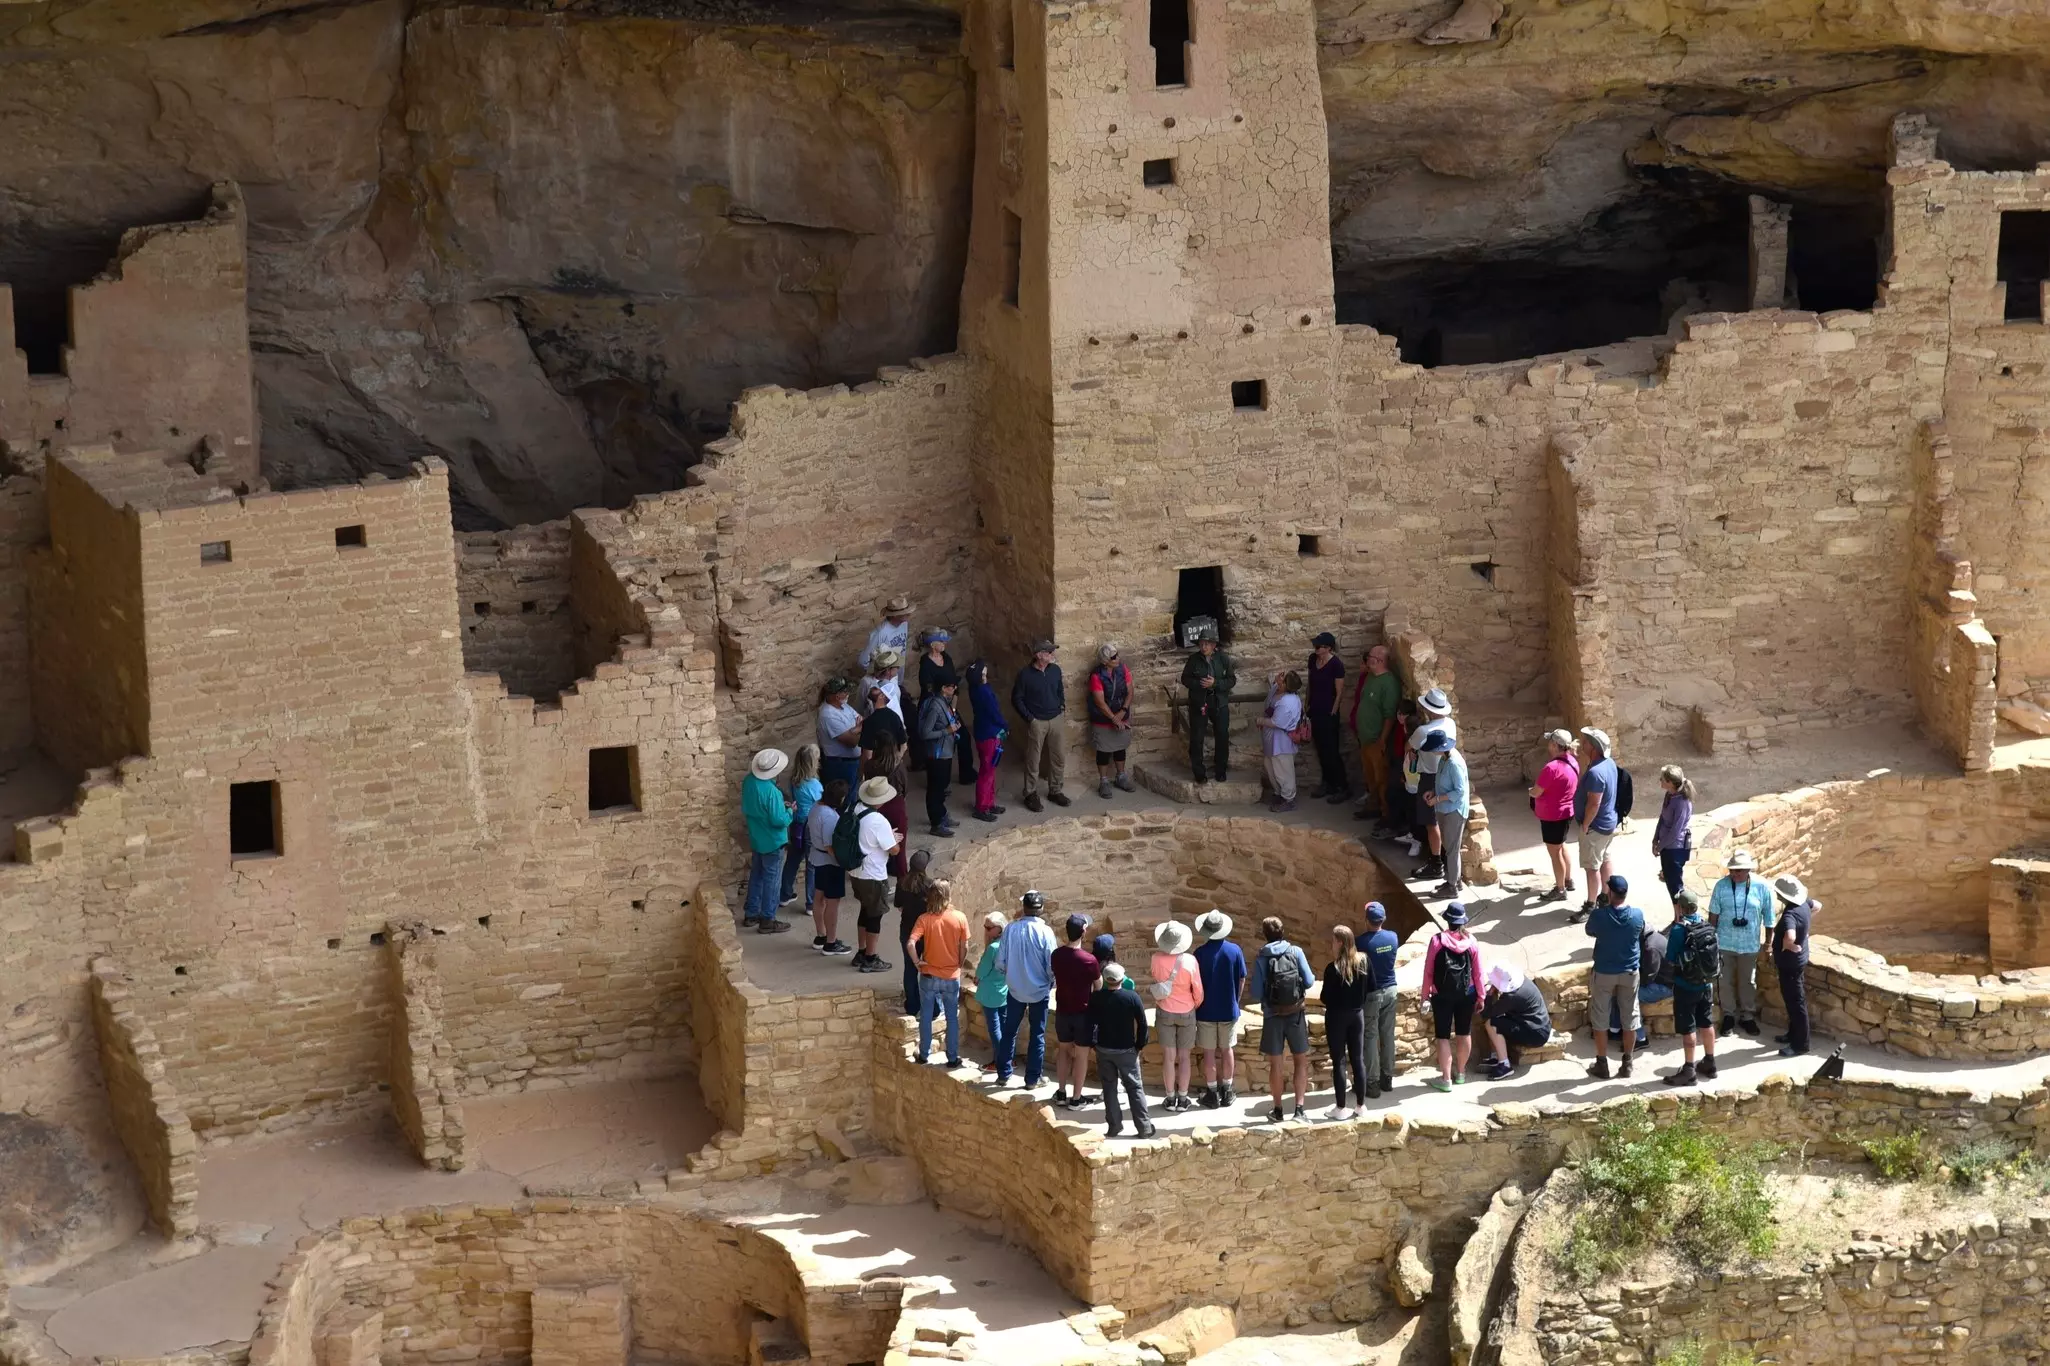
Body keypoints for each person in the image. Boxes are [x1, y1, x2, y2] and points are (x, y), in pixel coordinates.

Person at [1248, 916, 1315, 1121]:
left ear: (1265, 934)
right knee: (1300, 1061)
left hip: (1272, 1016)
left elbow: (1257, 993)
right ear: (1283, 931)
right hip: (1295, 1014)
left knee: (1276, 1064)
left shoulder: (1261, 958)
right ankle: (1299, 1110)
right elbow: (1310, 981)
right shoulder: (1296, 952)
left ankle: (1278, 1110)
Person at [1708, 849, 1775, 1036]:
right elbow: (1713, 915)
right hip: (1724, 943)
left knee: (1748, 982)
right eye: (1732, 870)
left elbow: (1769, 917)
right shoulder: (1721, 886)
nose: (1734, 874)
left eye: (1738, 871)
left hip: (1749, 945)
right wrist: (1711, 939)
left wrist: (1768, 944)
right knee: (1724, 981)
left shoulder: (1761, 887)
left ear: (1748, 870)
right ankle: (1728, 1015)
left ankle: (1747, 1016)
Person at [1585, 874, 1644, 1079]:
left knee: (1600, 1017)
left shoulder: (1600, 916)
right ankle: (1627, 1063)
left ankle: (1602, 1063)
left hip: (1604, 972)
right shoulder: (1637, 915)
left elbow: (1589, 931)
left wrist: (1600, 909)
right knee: (1630, 1017)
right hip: (1629, 972)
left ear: (1610, 892)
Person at [996, 891, 1057, 1086]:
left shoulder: (1011, 929)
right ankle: (1032, 1078)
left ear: (1024, 908)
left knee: (1009, 1031)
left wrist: (1012, 974)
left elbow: (1000, 962)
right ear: (1041, 909)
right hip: (1039, 991)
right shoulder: (1046, 933)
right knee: (1037, 1034)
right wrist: (1051, 982)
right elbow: (1051, 965)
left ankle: (1004, 1073)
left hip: (1015, 990)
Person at [1088, 963, 1155, 1139]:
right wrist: (1140, 1045)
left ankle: (1114, 1126)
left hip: (1104, 1049)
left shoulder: (1097, 998)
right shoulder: (1131, 997)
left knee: (1109, 1088)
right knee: (1134, 1088)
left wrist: (1093, 1044)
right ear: (1122, 979)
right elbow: (1142, 1023)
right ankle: (1144, 1127)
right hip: (1126, 1050)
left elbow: (1090, 1023)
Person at [1420, 904, 1483, 1091]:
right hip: (1467, 993)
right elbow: (1478, 973)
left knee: (1443, 1036)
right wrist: (1481, 996)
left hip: (1442, 994)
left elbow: (1429, 971)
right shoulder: (1472, 941)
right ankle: (1461, 1073)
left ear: (1447, 920)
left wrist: (1425, 996)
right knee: (1464, 1032)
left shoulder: (1437, 940)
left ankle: (1446, 1079)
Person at [907, 881, 970, 1066]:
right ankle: (952, 1057)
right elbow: (964, 945)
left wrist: (917, 962)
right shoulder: (959, 917)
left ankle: (924, 1053)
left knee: (926, 1016)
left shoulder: (924, 919)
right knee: (951, 1017)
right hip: (951, 975)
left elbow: (911, 943)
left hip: (928, 974)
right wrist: (958, 962)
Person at [1663, 890, 1721, 1086]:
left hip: (1685, 986)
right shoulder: (1706, 925)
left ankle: (1689, 1069)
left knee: (1688, 1026)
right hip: (1706, 983)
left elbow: (1670, 958)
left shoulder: (1680, 930)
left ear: (1680, 907)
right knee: (1706, 1022)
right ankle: (1710, 1062)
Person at [1191, 909, 1246, 1109]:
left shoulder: (1199, 953)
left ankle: (1212, 1093)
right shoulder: (1235, 950)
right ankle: (1228, 1090)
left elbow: (1195, 984)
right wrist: (1235, 1001)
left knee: (1208, 1053)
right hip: (1228, 1009)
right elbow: (1241, 978)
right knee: (1227, 1049)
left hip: (1205, 1010)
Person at [845, 776, 899, 972]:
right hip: (873, 875)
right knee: (875, 915)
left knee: (865, 910)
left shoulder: (855, 809)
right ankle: (871, 957)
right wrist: (895, 839)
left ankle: (861, 951)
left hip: (856, 871)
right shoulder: (878, 821)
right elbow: (894, 850)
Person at [1150, 920, 1204, 1111]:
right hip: (1186, 1011)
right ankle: (1183, 1098)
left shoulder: (1156, 959)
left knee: (1168, 1057)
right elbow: (1197, 989)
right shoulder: (1190, 961)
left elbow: (1156, 979)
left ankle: (1170, 1097)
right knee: (1184, 1057)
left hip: (1165, 1010)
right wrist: (1194, 1005)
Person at [1570, 727, 1621, 924]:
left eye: (1585, 742)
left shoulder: (1596, 772)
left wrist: (1585, 825)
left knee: (1592, 867)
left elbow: (1594, 803)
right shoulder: (1609, 764)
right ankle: (1606, 897)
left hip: (1595, 827)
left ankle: (1591, 905)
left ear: (1592, 747)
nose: (1582, 744)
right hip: (1608, 823)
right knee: (1605, 859)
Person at [1011, 640, 1069, 812]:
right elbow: (1017, 698)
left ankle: (1055, 790)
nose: (1053, 655)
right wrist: (1030, 718)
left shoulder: (1055, 670)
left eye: (1052, 652)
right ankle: (1030, 793)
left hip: (1056, 718)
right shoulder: (1025, 675)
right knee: (1033, 760)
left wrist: (1062, 706)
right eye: (1049, 652)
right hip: (1037, 722)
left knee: (1059, 757)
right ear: (1038, 655)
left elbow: (1059, 690)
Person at [741, 749, 795, 933]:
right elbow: (778, 820)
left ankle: (751, 913)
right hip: (773, 840)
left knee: (757, 875)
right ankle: (768, 920)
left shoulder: (749, 782)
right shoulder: (772, 791)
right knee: (772, 880)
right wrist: (789, 812)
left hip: (757, 837)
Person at [1049, 914, 1100, 1108]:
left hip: (1063, 1009)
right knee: (1081, 1055)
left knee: (1063, 1050)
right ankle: (1076, 1098)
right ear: (1084, 933)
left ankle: (1061, 1092)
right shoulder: (1089, 960)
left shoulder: (1056, 955)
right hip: (1083, 1013)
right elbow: (1099, 985)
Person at [1322, 924, 1371, 1118]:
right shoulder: (1364, 961)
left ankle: (1341, 1108)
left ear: (1340, 943)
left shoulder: (1332, 969)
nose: (1331, 944)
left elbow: (1325, 997)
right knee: (1358, 1060)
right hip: (1357, 1015)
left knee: (1339, 1061)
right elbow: (1370, 986)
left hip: (1336, 1017)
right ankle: (1361, 1106)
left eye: (1333, 941)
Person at [1407, 689, 1457, 880]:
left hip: (1430, 776)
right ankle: (1443, 859)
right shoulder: (1450, 724)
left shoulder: (1422, 731)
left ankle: (1436, 863)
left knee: (1431, 821)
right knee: (1443, 818)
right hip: (1446, 773)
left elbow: (1409, 747)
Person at [1529, 729, 1581, 902]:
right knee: (1561, 845)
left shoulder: (1551, 768)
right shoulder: (1573, 761)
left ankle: (1560, 889)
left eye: (1549, 742)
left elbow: (1537, 792)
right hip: (1567, 813)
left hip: (1552, 816)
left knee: (1554, 853)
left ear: (1554, 745)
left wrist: (1530, 791)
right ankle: (1568, 880)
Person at [1350, 645, 1400, 822]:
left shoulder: (1389, 684)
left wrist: (1382, 739)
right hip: (1365, 738)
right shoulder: (1371, 677)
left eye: (1369, 656)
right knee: (1370, 776)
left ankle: (1386, 815)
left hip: (1376, 741)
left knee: (1381, 779)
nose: (1366, 659)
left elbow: (1389, 715)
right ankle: (1373, 807)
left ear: (1378, 660)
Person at [805, 779, 853, 956]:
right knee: (833, 902)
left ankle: (821, 935)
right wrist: (845, 863)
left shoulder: (816, 807)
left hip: (817, 858)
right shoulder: (830, 816)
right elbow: (830, 845)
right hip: (830, 862)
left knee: (819, 897)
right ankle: (831, 942)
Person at [1479, 962, 1551, 1079]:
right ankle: (1496, 1057)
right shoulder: (1523, 981)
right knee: (1497, 1020)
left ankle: (1504, 1065)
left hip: (1535, 1034)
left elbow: (1486, 1013)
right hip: (1539, 1025)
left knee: (1491, 1023)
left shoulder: (1512, 996)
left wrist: (1489, 994)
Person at [1181, 631, 1236, 783]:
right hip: (1200, 702)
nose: (1203, 647)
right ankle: (1199, 773)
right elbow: (1185, 679)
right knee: (1197, 737)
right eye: (1201, 644)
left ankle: (1221, 771)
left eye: (1206, 644)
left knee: (1222, 736)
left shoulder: (1223, 659)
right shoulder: (1194, 660)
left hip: (1219, 702)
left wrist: (1215, 684)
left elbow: (1231, 680)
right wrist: (1199, 684)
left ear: (1213, 645)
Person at [1420, 730, 1470, 897]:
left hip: (1454, 811)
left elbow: (1459, 792)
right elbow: (1442, 782)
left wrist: (1438, 799)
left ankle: (1452, 887)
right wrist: (1433, 792)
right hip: (1444, 809)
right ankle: (1455, 880)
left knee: (1452, 849)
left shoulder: (1453, 763)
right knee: (1449, 847)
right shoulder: (1444, 758)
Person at [1772, 875, 1815, 1058]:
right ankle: (1792, 1034)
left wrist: (1788, 945)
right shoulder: (1805, 904)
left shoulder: (1790, 914)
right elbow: (1818, 906)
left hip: (1790, 965)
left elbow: (1789, 936)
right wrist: (1804, 933)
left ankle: (1801, 1045)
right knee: (1793, 1002)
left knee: (1796, 1004)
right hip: (1798, 962)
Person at [1305, 631, 1350, 804]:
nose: (1316, 648)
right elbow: (1310, 682)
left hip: (1328, 712)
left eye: (1319, 646)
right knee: (1320, 748)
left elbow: (1339, 692)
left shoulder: (1336, 664)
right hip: (1315, 709)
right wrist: (1306, 702)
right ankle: (1328, 783)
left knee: (1331, 751)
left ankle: (1342, 786)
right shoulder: (1312, 660)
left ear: (1328, 648)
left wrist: (1333, 711)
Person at [1088, 644, 1137, 798]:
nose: (1117, 659)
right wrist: (1113, 718)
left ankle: (1121, 776)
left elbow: (1130, 691)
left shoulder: (1123, 670)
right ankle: (1103, 781)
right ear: (1105, 661)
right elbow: (1100, 702)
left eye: (1117, 655)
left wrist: (1122, 711)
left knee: (1120, 747)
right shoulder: (1096, 676)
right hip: (1103, 719)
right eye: (1113, 657)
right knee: (1103, 750)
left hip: (1121, 714)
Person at [916, 673, 962, 837]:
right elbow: (925, 733)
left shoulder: (944, 702)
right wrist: (946, 731)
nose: (954, 688)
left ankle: (941, 815)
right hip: (937, 754)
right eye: (952, 686)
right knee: (935, 789)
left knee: (942, 787)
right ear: (943, 688)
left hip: (945, 752)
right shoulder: (936, 706)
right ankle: (936, 823)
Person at [1362, 902, 1400, 1097]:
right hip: (1391, 990)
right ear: (1383, 919)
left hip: (1373, 993)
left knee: (1370, 1036)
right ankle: (1387, 1078)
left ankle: (1373, 1082)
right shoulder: (1393, 938)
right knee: (1387, 1035)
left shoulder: (1362, 943)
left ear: (1366, 920)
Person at [779, 744, 823, 910]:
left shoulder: (794, 780)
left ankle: (785, 894)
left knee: (792, 861)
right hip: (811, 826)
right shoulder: (814, 785)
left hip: (797, 824)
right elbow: (820, 804)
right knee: (812, 865)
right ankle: (811, 903)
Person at [965, 660, 1008, 823]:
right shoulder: (983, 691)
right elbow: (994, 712)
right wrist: (1005, 725)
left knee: (990, 770)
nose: (986, 674)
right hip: (989, 734)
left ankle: (989, 803)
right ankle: (982, 807)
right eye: (983, 672)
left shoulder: (977, 689)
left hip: (985, 731)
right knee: (987, 771)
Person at [895, 850, 936, 1014]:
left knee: (910, 968)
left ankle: (912, 1006)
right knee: (928, 967)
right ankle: (931, 1007)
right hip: (926, 933)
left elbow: (898, 905)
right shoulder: (930, 885)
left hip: (907, 930)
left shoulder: (902, 883)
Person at [1257, 670, 1305, 812]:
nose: (1279, 680)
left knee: (1283, 770)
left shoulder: (1288, 702)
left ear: (1287, 685)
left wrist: (1260, 720)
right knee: (1271, 768)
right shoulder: (1277, 691)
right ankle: (1279, 793)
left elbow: (1277, 722)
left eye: (1282, 680)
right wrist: (1275, 680)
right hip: (1272, 740)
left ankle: (1288, 798)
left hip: (1282, 741)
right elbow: (1270, 697)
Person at [973, 912, 1010, 1073]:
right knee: (1004, 1026)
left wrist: (976, 977)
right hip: (1004, 989)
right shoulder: (1009, 943)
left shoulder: (994, 948)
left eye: (989, 928)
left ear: (999, 928)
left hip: (991, 993)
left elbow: (982, 969)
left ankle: (999, 1062)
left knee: (995, 1028)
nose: (986, 931)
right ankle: (1008, 1058)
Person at [1653, 765, 1697, 900]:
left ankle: (1681, 917)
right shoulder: (1670, 795)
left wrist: (1659, 847)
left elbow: (1675, 831)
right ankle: (1678, 916)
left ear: (1670, 783)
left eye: (1662, 779)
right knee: (1670, 883)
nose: (1660, 780)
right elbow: (1663, 816)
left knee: (1676, 887)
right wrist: (1655, 839)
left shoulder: (1682, 802)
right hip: (1667, 846)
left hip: (1675, 848)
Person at [816, 678, 865, 797]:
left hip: (850, 762)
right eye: (845, 692)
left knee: (852, 794)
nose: (848, 694)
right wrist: (858, 729)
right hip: (840, 765)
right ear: (837, 696)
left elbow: (862, 720)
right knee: (844, 798)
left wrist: (855, 730)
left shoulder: (844, 706)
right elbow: (852, 741)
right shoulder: (828, 715)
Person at [859, 594, 913, 673]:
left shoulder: (904, 624)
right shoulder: (880, 632)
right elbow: (863, 661)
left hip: (897, 676)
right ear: (895, 615)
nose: (909, 614)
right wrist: (878, 675)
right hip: (884, 680)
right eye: (905, 613)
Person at [858, 688, 907, 763]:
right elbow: (904, 745)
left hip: (876, 767)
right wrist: (896, 761)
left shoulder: (869, 721)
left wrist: (867, 768)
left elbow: (867, 754)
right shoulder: (895, 717)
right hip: (894, 765)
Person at [861, 648, 905, 722]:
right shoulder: (866, 682)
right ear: (888, 671)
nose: (898, 668)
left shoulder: (894, 679)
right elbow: (860, 705)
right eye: (896, 667)